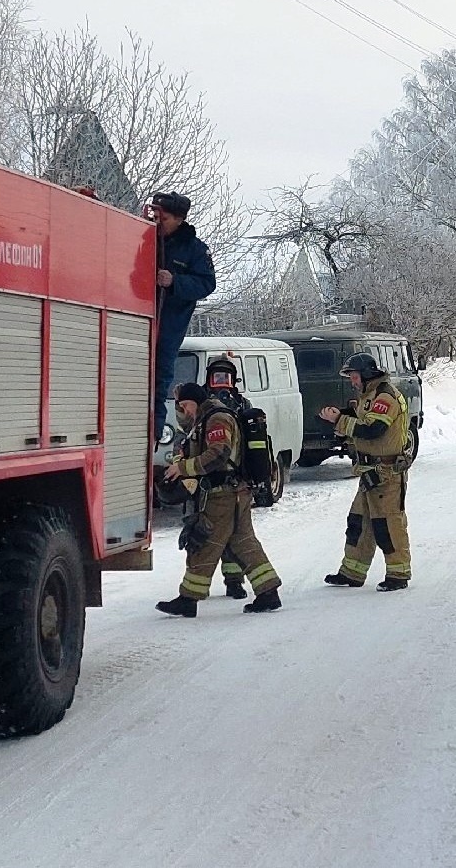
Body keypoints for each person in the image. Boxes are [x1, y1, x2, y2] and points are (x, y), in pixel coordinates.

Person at [155, 383, 282, 618]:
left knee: (203, 542)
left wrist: (183, 468)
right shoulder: (206, 417)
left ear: (196, 400)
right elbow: (193, 437)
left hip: (224, 495)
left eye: (185, 405)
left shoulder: (216, 419)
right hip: (234, 493)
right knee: (244, 542)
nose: (185, 411)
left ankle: (188, 598)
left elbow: (218, 454)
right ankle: (268, 592)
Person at [318, 352, 413, 592]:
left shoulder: (385, 396)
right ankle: (352, 572)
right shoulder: (368, 395)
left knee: (388, 523)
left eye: (354, 376)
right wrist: (342, 418)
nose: (352, 381)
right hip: (370, 471)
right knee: (359, 522)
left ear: (366, 374)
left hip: (387, 472)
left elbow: (373, 429)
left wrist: (340, 420)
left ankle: (398, 573)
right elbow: (361, 419)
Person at [146, 192, 216, 440]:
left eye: (161, 218)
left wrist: (175, 282)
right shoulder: (142, 237)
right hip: (136, 321)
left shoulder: (194, 250)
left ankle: (151, 438)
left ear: (179, 219)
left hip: (168, 327)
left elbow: (207, 284)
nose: (156, 222)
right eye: (153, 216)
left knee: (156, 381)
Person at [205, 356, 253, 600]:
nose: (221, 384)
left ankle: (233, 581)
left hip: (231, 479)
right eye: (217, 378)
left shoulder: (240, 405)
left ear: (234, 381)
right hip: (209, 480)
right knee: (213, 532)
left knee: (230, 534)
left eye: (225, 378)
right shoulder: (203, 406)